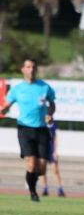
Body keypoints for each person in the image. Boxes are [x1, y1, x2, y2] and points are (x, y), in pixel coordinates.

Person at [0, 59, 56, 202]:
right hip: (25, 129)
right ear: (23, 69)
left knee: (42, 168)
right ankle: (32, 192)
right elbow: (7, 104)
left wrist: (50, 113)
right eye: (28, 67)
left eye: (33, 67)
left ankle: (32, 180)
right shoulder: (17, 89)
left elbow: (52, 103)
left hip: (42, 130)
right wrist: (4, 109)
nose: (31, 69)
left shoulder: (44, 87)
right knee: (31, 163)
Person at [40, 119, 66, 197]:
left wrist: (55, 151)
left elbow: (55, 139)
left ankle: (60, 189)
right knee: (42, 171)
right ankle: (45, 189)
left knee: (55, 170)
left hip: (51, 151)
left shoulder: (53, 124)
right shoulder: (40, 123)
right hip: (42, 150)